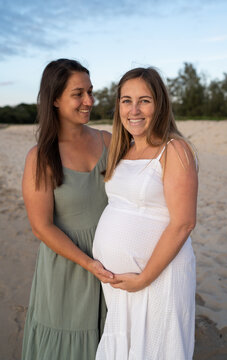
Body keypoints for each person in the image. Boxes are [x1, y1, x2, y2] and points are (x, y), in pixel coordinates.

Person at [93, 67, 198, 359]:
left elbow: (184, 223)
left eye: (145, 100)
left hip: (158, 278)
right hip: (121, 285)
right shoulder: (121, 149)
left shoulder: (174, 150)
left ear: (160, 104)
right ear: (118, 106)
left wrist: (144, 279)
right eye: (126, 100)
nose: (134, 110)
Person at [21, 58, 117, 360]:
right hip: (69, 265)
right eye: (79, 94)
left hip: (113, 263)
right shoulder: (41, 157)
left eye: (90, 91)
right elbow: (42, 227)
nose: (89, 101)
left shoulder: (108, 141)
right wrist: (89, 263)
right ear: (55, 100)